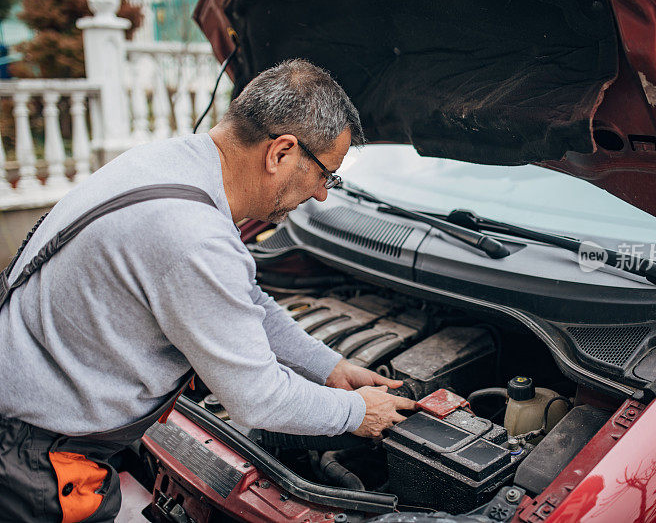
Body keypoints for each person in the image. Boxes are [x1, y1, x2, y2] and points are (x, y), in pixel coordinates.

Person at [0, 59, 416, 522]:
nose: (321, 195)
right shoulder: (193, 235)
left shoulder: (171, 162)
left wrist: (329, 366)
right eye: (326, 175)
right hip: (38, 457)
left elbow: (246, 298)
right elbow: (259, 399)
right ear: (280, 153)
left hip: (29, 400)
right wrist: (358, 412)